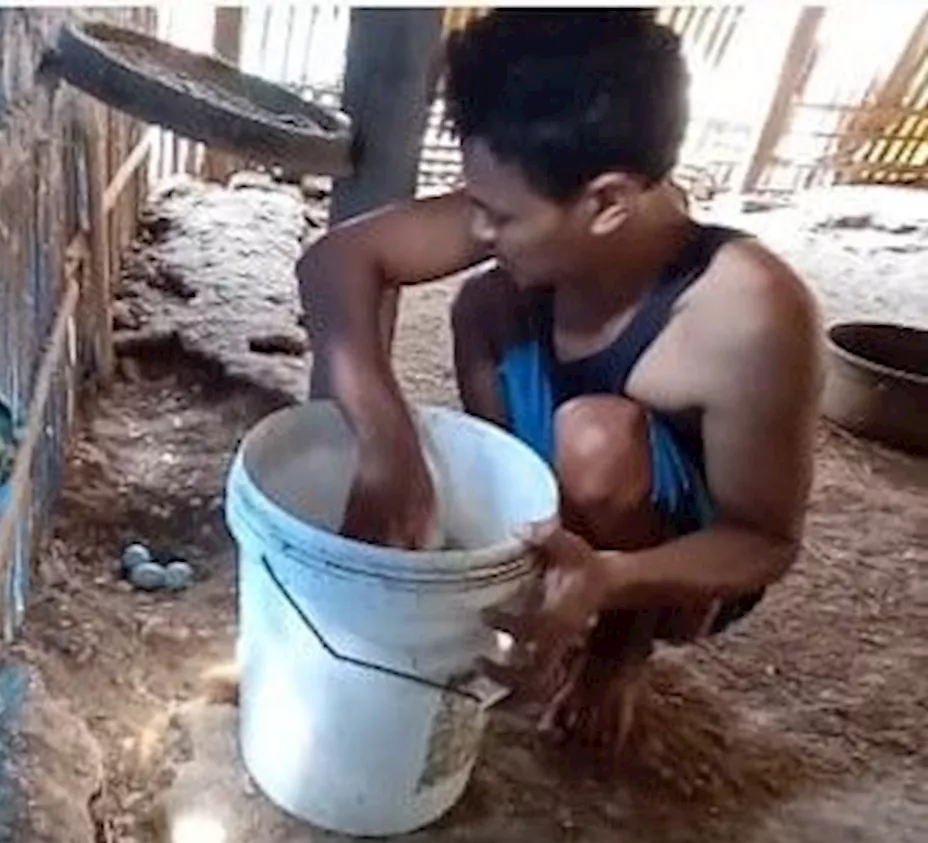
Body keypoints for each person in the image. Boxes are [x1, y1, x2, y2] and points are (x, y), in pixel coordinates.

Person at [296, 10, 822, 752]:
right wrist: (388, 442)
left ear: (607, 202)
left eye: (498, 215)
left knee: (596, 437)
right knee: (483, 302)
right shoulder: (543, 190)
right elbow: (333, 262)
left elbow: (764, 542)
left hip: (678, 563)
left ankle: (618, 648)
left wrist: (613, 581)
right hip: (578, 499)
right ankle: (536, 550)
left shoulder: (751, 311)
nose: (477, 230)